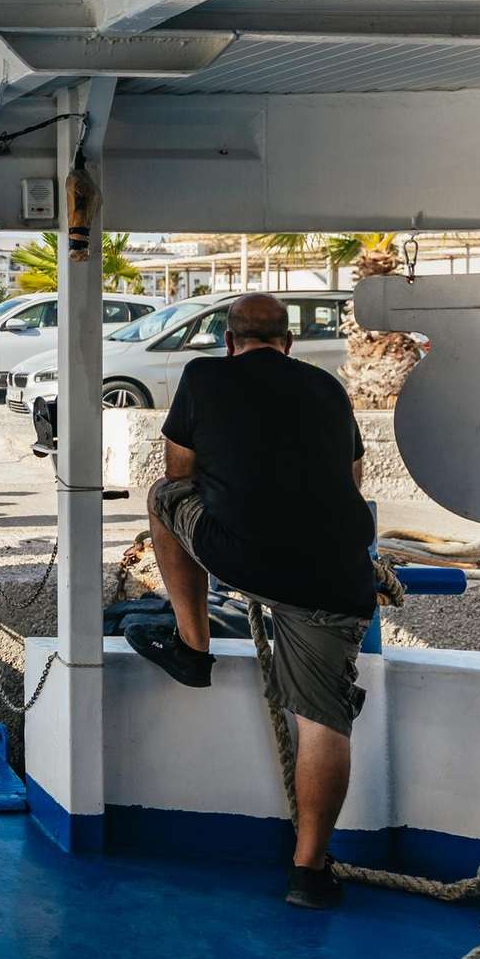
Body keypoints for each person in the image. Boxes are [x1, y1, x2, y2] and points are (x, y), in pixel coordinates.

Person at [128, 293, 377, 911]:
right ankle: (310, 873)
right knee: (324, 721)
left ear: (229, 341)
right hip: (339, 573)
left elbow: (180, 471)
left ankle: (192, 645)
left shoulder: (203, 375)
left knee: (162, 498)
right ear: (287, 343)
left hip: (246, 556)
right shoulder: (326, 388)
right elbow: (352, 485)